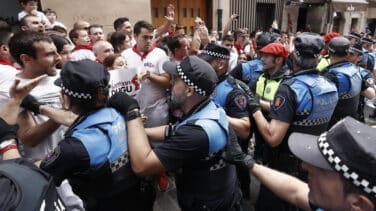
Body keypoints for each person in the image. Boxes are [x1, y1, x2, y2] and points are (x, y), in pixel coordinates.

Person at [109, 55, 242, 210]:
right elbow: (174, 130)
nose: (170, 82)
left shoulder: (196, 134)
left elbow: (142, 165)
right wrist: (140, 132)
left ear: (189, 90)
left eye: (176, 79)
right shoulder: (207, 109)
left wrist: (132, 111)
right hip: (214, 195)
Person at [37, 60, 154, 210]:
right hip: (140, 196)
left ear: (66, 98)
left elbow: (42, 170)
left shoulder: (73, 147)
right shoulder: (119, 111)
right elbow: (81, 121)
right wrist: (39, 108)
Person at [250, 33, 339, 211]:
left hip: (285, 166)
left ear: (293, 56)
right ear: (320, 57)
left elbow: (273, 137)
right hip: (313, 163)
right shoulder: (329, 85)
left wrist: (254, 108)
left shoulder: (290, 88)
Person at [224, 116, 376, 211]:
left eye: (322, 168)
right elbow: (295, 191)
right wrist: (247, 162)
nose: (305, 165)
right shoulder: (338, 203)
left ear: (359, 205)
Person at [199, 43, 252, 199]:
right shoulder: (209, 82)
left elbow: (244, 129)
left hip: (232, 159)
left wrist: (215, 113)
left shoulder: (233, 91)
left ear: (221, 64)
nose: (202, 66)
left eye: (207, 62)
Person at [121, 20, 170, 128]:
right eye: (145, 37)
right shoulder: (125, 55)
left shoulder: (160, 54)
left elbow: (167, 82)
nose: (148, 41)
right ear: (135, 36)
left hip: (157, 111)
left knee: (157, 144)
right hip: (132, 111)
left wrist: (149, 75)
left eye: (151, 37)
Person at [252, 42, 290, 164]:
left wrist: (255, 102)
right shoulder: (262, 76)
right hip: (259, 127)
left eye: (267, 56)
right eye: (262, 55)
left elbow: (280, 109)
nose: (262, 59)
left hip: (274, 131)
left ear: (278, 60)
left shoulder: (286, 82)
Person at [321, 36, 362, 127]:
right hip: (351, 123)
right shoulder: (356, 70)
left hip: (335, 127)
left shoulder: (332, 76)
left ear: (328, 52)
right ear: (347, 54)